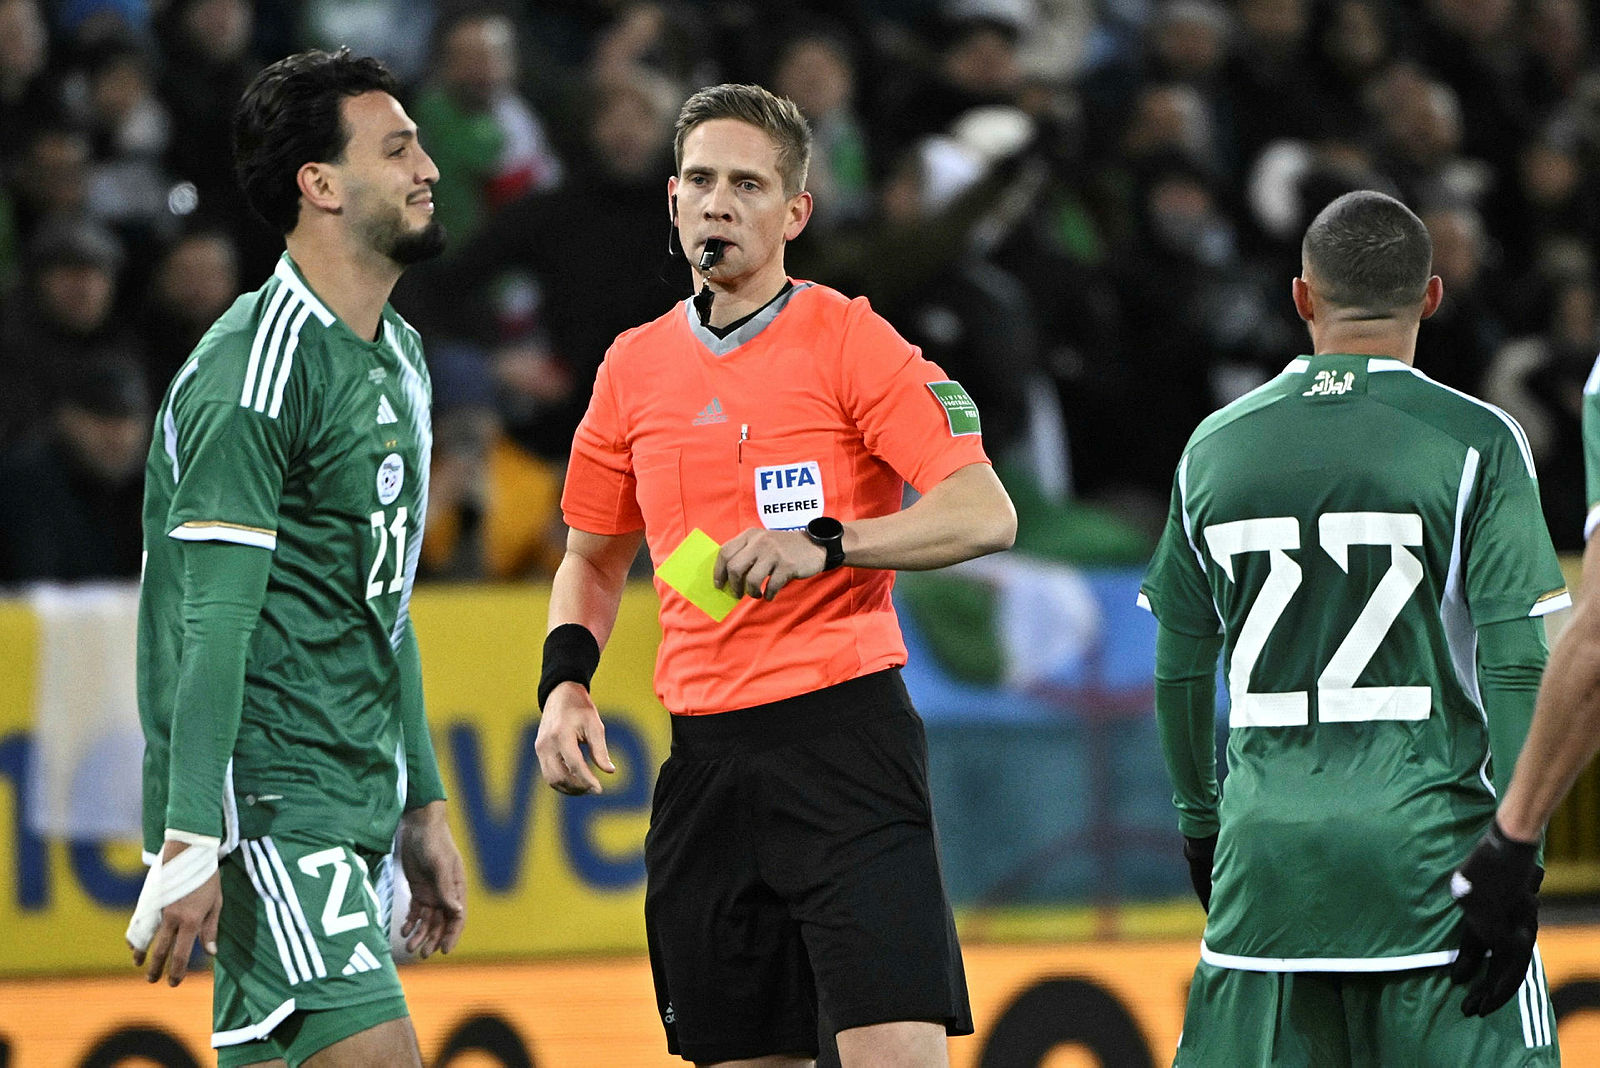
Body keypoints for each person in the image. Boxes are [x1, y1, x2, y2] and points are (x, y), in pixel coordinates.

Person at [535, 83, 1016, 1067]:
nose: (719, 202)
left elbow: (984, 513)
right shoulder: (631, 368)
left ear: (794, 212)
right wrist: (565, 685)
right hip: (705, 769)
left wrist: (829, 542)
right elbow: (590, 556)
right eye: (701, 181)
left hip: (844, 745)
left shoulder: (852, 341)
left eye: (747, 184)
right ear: (671, 199)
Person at [1138, 190, 1567, 1064]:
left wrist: (1198, 822)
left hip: (1266, 870)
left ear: (1302, 298)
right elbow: (1520, 666)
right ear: (1433, 298)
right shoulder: (1478, 441)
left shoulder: (1213, 447)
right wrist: (1518, 853)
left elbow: (1181, 665)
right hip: (1432, 864)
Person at [127, 48, 465, 1068]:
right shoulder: (252, 369)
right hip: (268, 800)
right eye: (397, 147)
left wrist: (423, 803)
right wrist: (189, 838)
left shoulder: (398, 356)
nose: (429, 168)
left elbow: (384, 605)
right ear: (319, 185)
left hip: (355, 798)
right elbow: (209, 618)